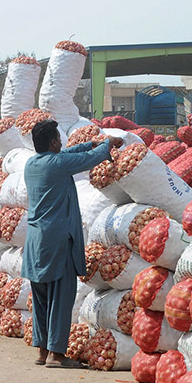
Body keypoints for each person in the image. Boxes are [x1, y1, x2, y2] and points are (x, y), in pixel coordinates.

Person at [23, 120, 123, 368]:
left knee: (41, 298)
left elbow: (68, 155)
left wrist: (91, 143)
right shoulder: (57, 165)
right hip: (57, 239)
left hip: (35, 241)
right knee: (61, 296)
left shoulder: (32, 164)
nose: (61, 142)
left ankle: (42, 351)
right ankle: (57, 355)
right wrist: (107, 145)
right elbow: (85, 161)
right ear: (54, 141)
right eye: (58, 138)